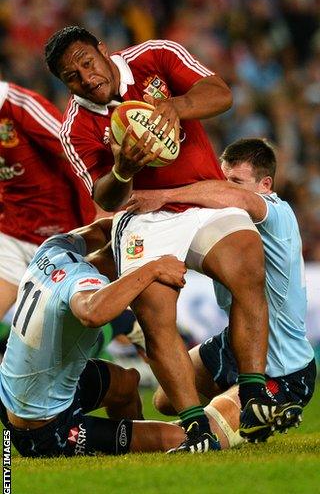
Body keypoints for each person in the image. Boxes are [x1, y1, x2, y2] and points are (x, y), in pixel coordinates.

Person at [45, 26, 278, 451]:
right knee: (154, 312)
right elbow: (106, 196)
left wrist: (177, 106)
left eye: (86, 62)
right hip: (144, 218)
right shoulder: (76, 126)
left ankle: (254, 394)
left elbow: (221, 93)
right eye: (71, 76)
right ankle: (195, 427)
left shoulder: (154, 57)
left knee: (246, 263)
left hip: (203, 199)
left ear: (102, 50)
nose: (85, 77)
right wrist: (122, 170)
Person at [0, 217, 240, 457]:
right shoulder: (85, 283)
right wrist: (151, 268)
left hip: (17, 394)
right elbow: (92, 312)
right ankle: (250, 395)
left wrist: (132, 221)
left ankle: (137, 454)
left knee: (126, 382)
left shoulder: (55, 248)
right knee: (181, 438)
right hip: (43, 426)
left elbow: (102, 229)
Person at [127, 138, 315, 442]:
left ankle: (263, 407)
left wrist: (163, 196)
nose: (227, 188)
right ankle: (247, 414)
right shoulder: (222, 226)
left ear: (265, 185)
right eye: (222, 178)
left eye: (237, 182)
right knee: (165, 399)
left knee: (200, 437)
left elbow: (230, 197)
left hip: (283, 368)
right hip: (234, 345)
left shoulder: (276, 214)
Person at [0, 80, 96, 324]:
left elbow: (74, 150)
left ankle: (129, 326)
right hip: (11, 233)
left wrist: (102, 211)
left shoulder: (19, 106)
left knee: (87, 317)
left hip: (62, 234)